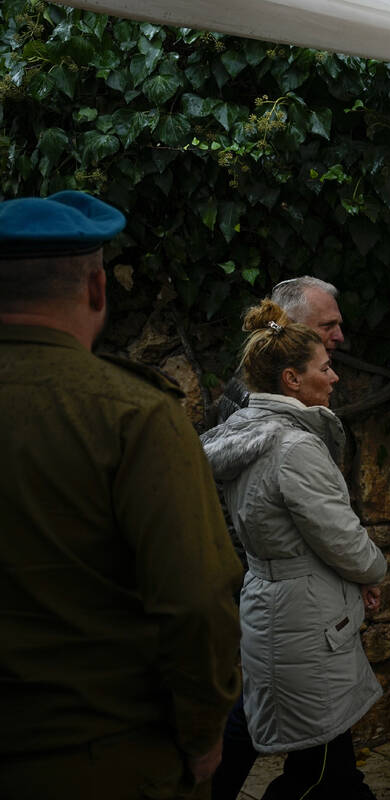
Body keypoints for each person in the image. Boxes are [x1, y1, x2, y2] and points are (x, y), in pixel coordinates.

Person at [0, 191, 243, 798]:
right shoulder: (133, 415)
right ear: (96, 289)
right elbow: (195, 599)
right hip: (99, 759)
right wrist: (203, 734)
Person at [201, 300, 387, 799]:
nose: (334, 378)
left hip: (283, 609)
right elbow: (341, 536)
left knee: (329, 762)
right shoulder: (294, 446)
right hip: (305, 621)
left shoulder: (247, 434)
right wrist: (373, 571)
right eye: (324, 368)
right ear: (291, 379)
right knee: (321, 774)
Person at [214, 275, 345, 423]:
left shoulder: (280, 386)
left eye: (339, 325)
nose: (340, 337)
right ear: (289, 325)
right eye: (327, 326)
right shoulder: (255, 402)